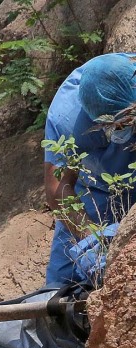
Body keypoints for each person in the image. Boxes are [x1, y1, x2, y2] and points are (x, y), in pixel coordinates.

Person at [43, 52, 136, 285]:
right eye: (117, 124)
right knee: (62, 286)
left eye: (128, 121)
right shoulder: (66, 118)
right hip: (93, 192)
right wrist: (92, 236)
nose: (122, 128)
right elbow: (58, 190)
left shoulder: (129, 76)